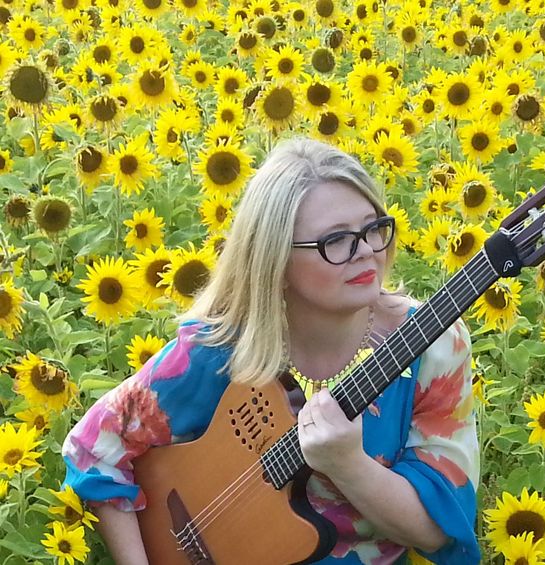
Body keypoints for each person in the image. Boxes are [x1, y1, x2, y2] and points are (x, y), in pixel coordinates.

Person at [61, 137, 480, 565]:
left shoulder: (433, 346)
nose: (368, 251)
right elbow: (93, 450)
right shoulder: (222, 344)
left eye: (373, 228)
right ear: (274, 259)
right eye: (336, 241)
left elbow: (439, 532)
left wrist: (348, 464)